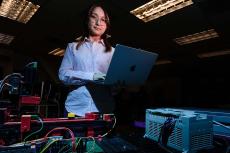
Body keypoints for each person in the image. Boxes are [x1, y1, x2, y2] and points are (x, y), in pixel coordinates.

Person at [58, 4, 115, 117]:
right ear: (87, 20)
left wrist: (118, 84)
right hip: (75, 109)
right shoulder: (72, 47)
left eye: (103, 19)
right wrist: (92, 76)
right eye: (94, 17)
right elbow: (63, 75)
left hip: (103, 110)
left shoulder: (112, 51)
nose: (98, 23)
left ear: (107, 24)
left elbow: (112, 87)